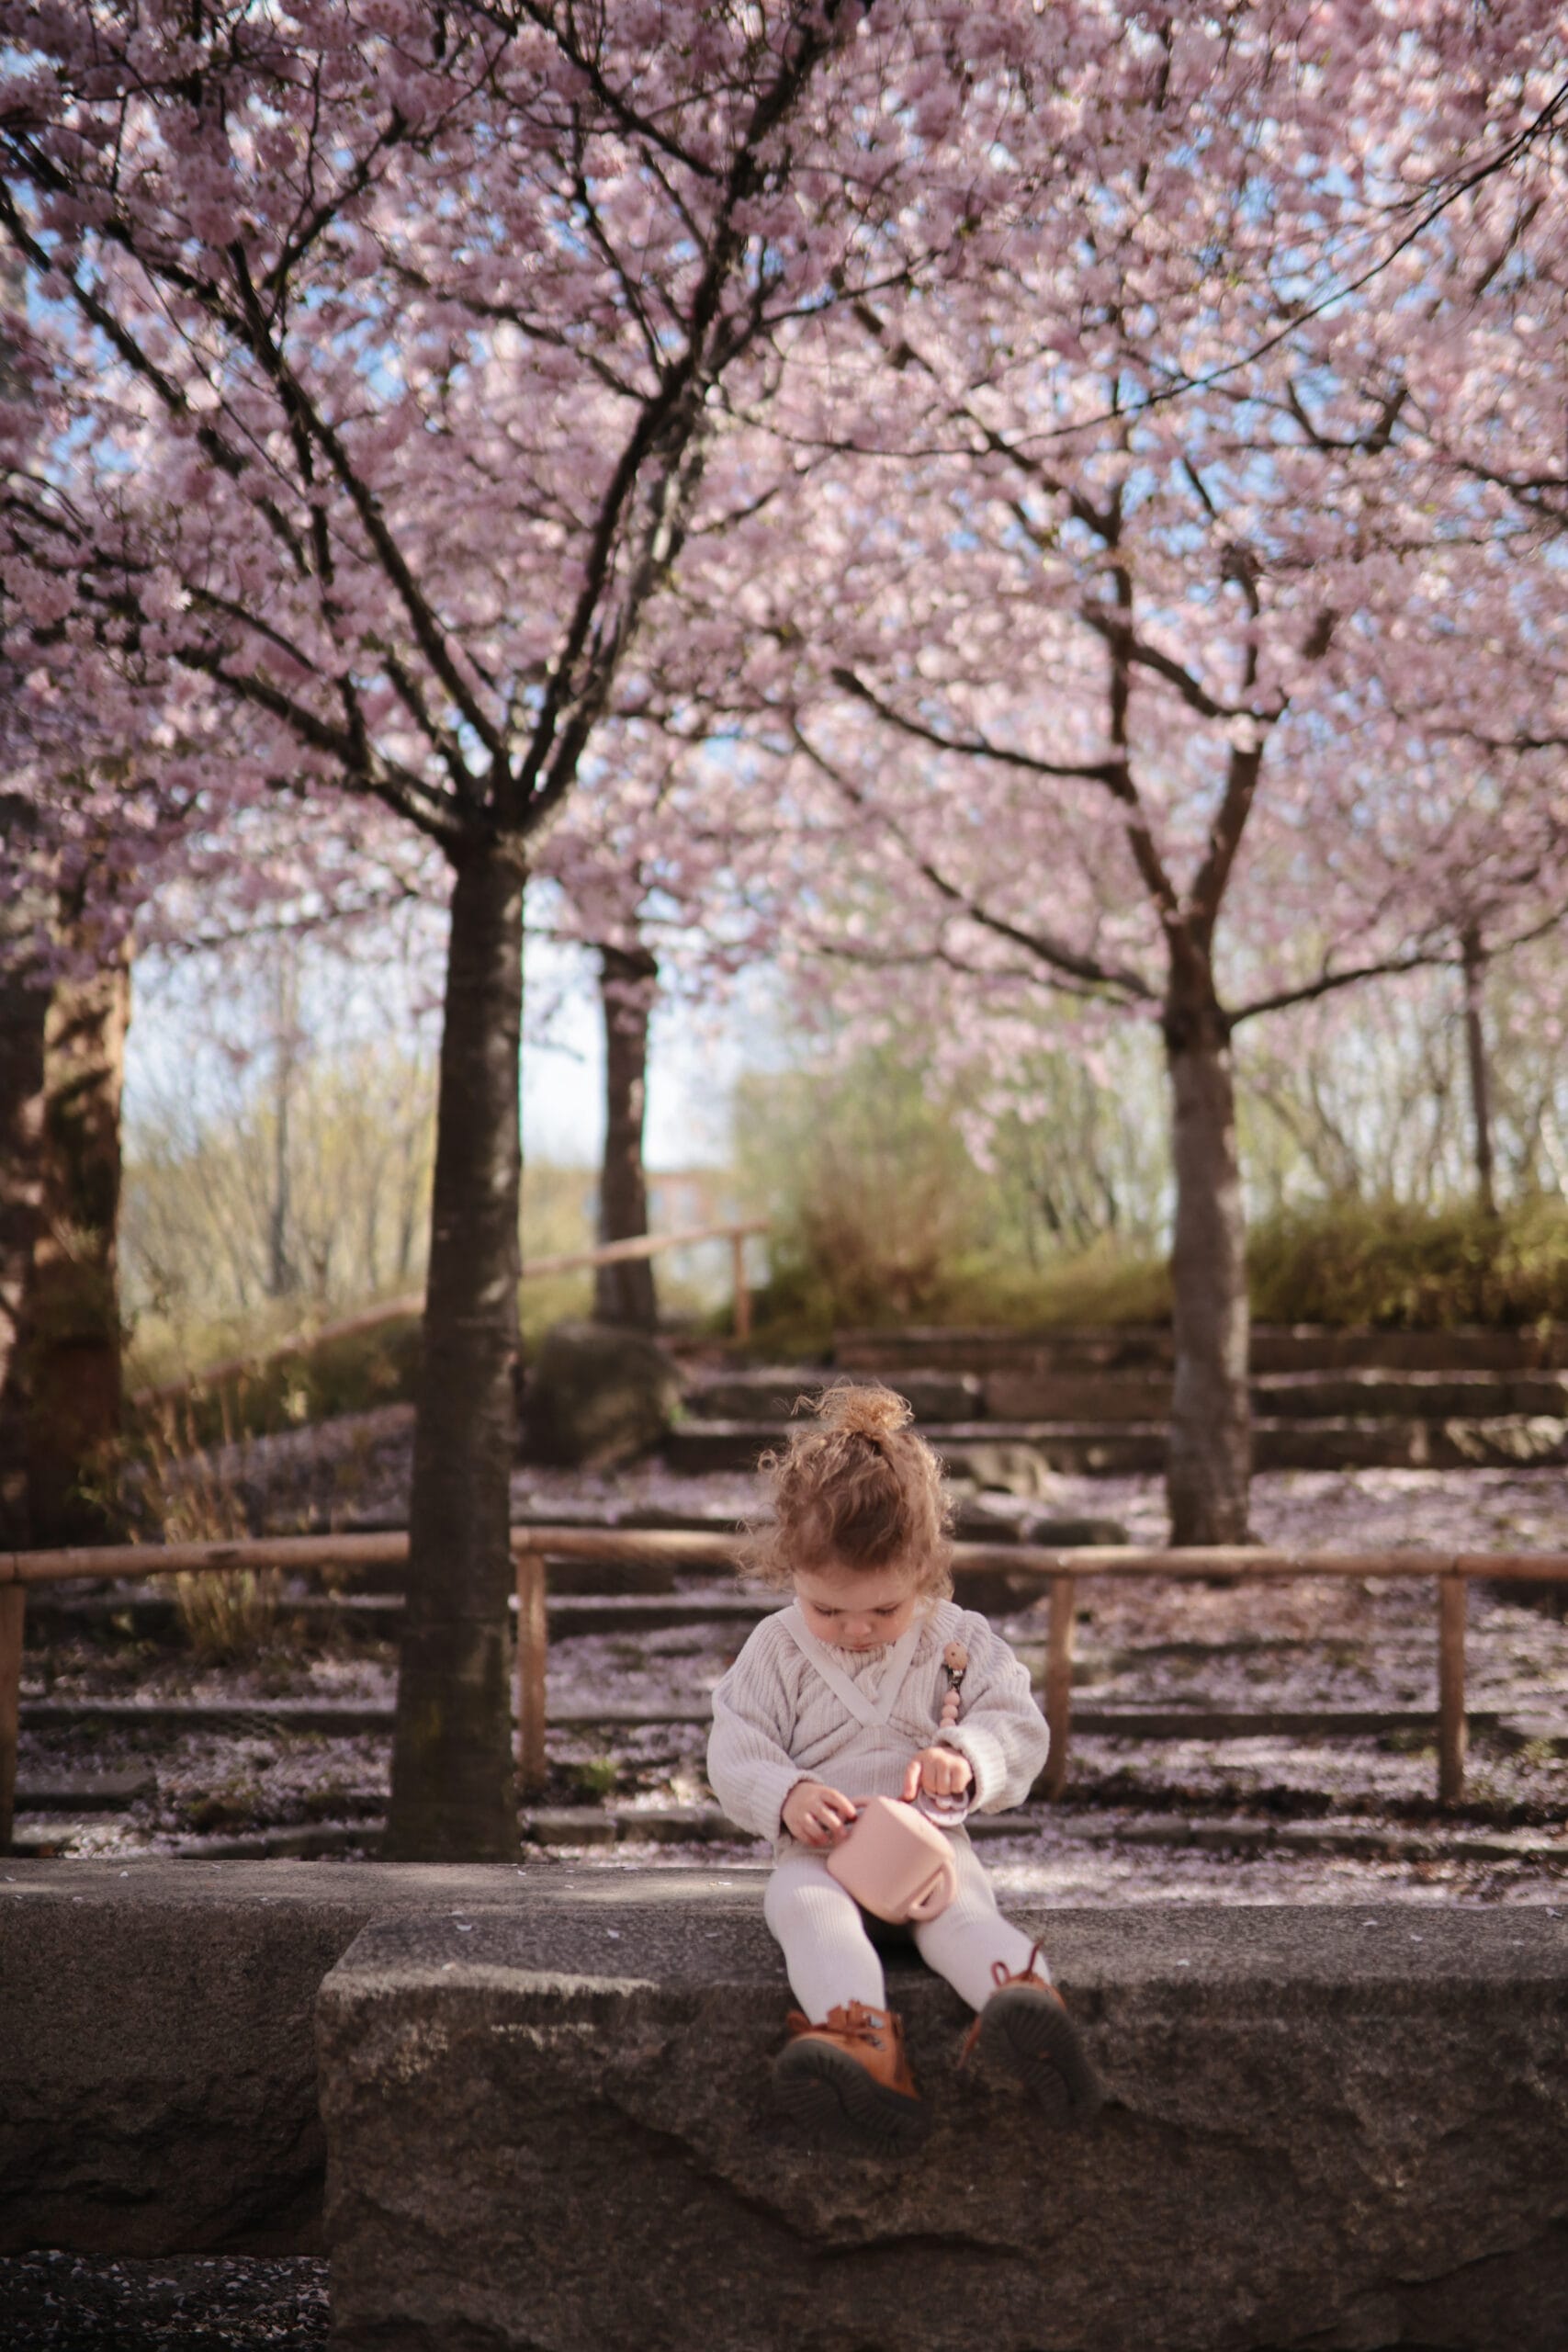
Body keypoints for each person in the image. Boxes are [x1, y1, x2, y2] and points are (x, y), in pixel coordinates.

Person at [707, 1382, 1101, 2152]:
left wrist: (967, 1757)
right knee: (803, 1910)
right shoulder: (777, 1648)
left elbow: (1019, 1726)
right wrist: (785, 1794)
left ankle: (1024, 2006)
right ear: (791, 1571)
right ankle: (862, 2047)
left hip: (927, 1849)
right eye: (827, 1609)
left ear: (923, 1571)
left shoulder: (957, 1639)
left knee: (961, 1915)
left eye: (883, 1611)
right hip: (820, 1853)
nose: (855, 1629)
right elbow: (735, 1745)